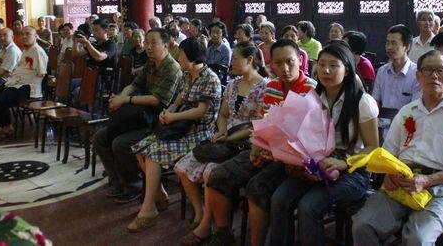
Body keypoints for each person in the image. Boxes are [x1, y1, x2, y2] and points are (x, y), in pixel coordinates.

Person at [352, 50, 443, 245]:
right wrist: (390, 175)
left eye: (441, 70)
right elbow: (388, 153)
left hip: (441, 189)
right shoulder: (406, 112)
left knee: (418, 239)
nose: (434, 75)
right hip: (401, 183)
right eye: (428, 70)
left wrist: (428, 180)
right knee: (363, 225)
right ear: (418, 76)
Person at [205, 39, 317, 246]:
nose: (284, 68)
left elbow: (310, 137)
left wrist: (273, 152)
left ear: (300, 61)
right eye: (278, 63)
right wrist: (257, 147)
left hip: (293, 159)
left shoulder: (312, 90)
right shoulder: (272, 87)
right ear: (270, 64)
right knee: (218, 175)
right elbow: (264, 123)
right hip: (266, 150)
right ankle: (223, 234)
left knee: (256, 188)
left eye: (290, 62)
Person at [269, 41, 379, 246]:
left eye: (334, 65)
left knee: (309, 206)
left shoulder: (362, 102)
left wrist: (344, 163)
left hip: (353, 172)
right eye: (321, 64)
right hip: (317, 165)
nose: (326, 70)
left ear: (347, 70)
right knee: (279, 199)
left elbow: (374, 148)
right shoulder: (312, 97)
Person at [177, 43, 269, 245]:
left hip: (245, 141)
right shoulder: (234, 84)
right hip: (225, 138)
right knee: (182, 167)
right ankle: (201, 213)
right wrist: (221, 131)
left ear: (250, 60)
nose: (231, 62)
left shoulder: (265, 87)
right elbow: (223, 114)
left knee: (211, 172)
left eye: (235, 58)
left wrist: (229, 136)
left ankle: (212, 225)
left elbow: (258, 124)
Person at [128, 38, 222, 232]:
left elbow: (200, 112)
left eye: (181, 54)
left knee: (153, 153)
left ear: (191, 57)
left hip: (199, 132)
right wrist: (168, 111)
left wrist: (173, 116)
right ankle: (160, 195)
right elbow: (178, 99)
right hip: (180, 127)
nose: (178, 57)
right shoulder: (187, 75)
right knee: (140, 149)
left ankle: (148, 211)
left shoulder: (210, 79)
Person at [93, 28, 182, 204]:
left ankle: (134, 185)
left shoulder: (172, 68)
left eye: (153, 43)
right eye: (147, 42)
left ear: (165, 45)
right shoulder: (151, 63)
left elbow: (157, 100)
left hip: (156, 122)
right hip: (137, 117)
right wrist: (119, 98)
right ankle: (118, 181)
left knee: (120, 143)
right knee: (100, 138)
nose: (148, 47)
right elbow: (134, 84)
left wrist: (126, 99)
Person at [0, 26, 48, 140]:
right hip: (16, 83)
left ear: (35, 36)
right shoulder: (25, 51)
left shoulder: (38, 52)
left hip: (29, 87)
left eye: (28, 34)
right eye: (22, 34)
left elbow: (41, 74)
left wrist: (18, 78)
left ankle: (4, 128)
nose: (24, 37)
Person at [372, 25, 421, 130]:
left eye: (394, 43)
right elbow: (375, 101)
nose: (389, 47)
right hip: (381, 128)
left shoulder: (417, 74)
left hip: (406, 129)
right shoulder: (382, 71)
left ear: (406, 47)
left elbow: (416, 109)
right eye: (387, 43)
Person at [71, 18, 117, 95]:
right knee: (66, 84)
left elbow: (99, 57)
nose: (94, 33)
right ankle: (65, 107)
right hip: (90, 77)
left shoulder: (110, 44)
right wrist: (75, 42)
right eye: (93, 30)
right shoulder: (94, 44)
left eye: (96, 30)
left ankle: (81, 107)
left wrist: (87, 43)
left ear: (105, 31)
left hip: (103, 80)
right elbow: (76, 54)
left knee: (78, 91)